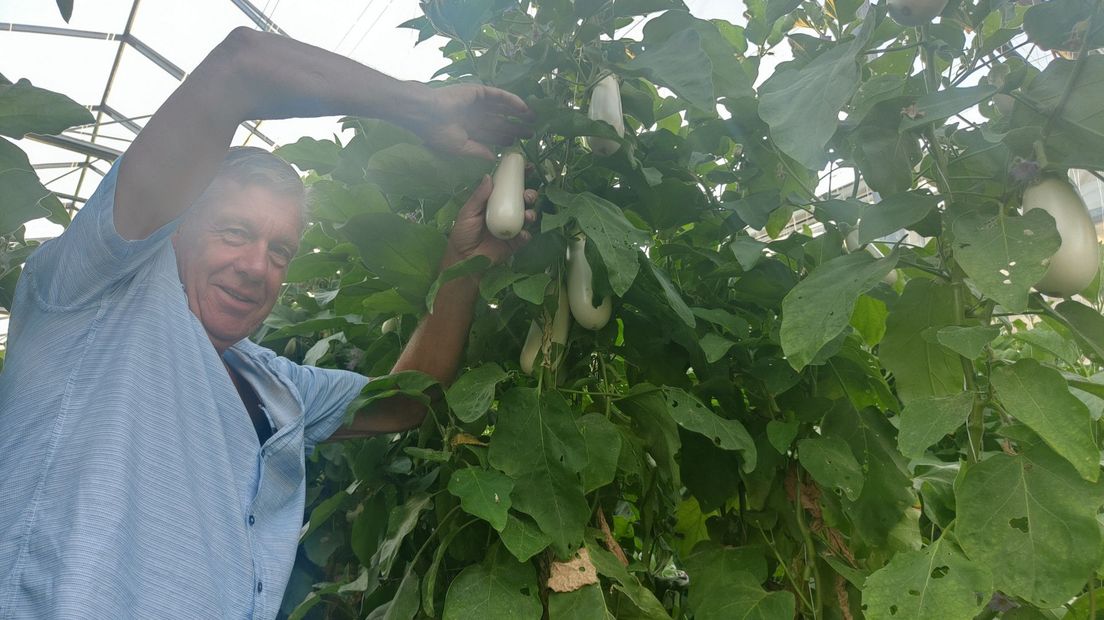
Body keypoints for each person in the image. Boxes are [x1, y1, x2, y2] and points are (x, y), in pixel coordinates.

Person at [0, 27, 535, 618]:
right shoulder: (95, 292)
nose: (258, 267)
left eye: (280, 252)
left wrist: (463, 267)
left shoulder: (274, 385)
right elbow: (239, 68)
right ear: (172, 227)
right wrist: (418, 104)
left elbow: (408, 400)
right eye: (234, 232)